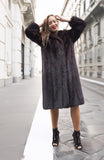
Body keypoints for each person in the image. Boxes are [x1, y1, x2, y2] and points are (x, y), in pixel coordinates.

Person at [25, 14, 86, 150]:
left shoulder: (68, 35)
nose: (53, 24)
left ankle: (76, 134)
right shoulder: (43, 38)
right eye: (50, 22)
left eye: (55, 21)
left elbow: (81, 24)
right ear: (47, 25)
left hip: (70, 76)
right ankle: (55, 133)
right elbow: (29, 31)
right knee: (54, 106)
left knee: (75, 105)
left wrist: (67, 20)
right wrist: (41, 24)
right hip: (53, 78)